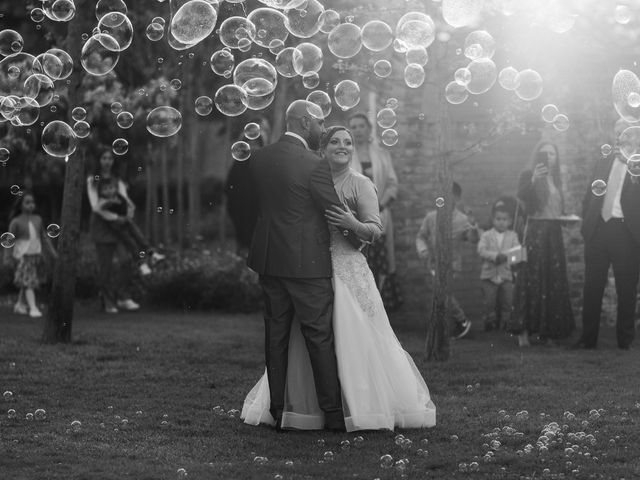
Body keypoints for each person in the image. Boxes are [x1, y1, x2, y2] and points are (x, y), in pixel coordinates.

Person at [242, 123, 436, 432]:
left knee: (352, 340)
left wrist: (351, 222)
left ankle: (355, 405)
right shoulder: (308, 176)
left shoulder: (361, 184)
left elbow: (375, 230)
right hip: (309, 270)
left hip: (346, 270)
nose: (342, 146)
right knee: (310, 342)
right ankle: (308, 408)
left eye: (347, 142)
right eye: (334, 141)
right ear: (322, 148)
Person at [241, 100, 361, 432]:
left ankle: (277, 411)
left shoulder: (259, 158)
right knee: (319, 336)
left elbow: (254, 207)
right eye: (321, 124)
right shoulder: (313, 163)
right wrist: (359, 237)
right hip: (306, 263)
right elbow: (334, 210)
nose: (324, 130)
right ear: (306, 123)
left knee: (275, 336)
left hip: (269, 260)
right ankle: (333, 414)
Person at [575, 120, 640, 350]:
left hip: (625, 232)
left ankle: (625, 341)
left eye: (624, 133)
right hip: (598, 231)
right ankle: (587, 340)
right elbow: (589, 195)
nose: (619, 136)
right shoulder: (604, 160)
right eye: (617, 132)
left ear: (634, 137)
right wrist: (587, 224)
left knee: (626, 288)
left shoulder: (638, 165)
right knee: (592, 287)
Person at [513, 141, 575, 346]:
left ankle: (548, 330)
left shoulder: (556, 180)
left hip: (554, 232)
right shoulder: (528, 175)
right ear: (538, 155)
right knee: (531, 279)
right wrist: (533, 180)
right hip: (536, 232)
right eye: (544, 153)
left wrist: (566, 218)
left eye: (552, 153)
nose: (549, 157)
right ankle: (523, 331)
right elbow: (522, 199)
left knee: (552, 280)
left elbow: (556, 208)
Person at [348, 113, 402, 311]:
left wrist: (381, 204)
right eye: (353, 126)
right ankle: (359, 306)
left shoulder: (381, 154)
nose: (358, 130)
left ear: (369, 129)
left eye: (361, 126)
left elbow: (392, 184)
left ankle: (377, 306)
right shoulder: (345, 154)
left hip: (379, 216)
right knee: (358, 261)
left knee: (379, 261)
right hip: (355, 218)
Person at [415, 182, 479, 339]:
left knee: (442, 293)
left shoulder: (463, 220)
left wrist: (473, 226)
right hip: (434, 263)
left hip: (452, 265)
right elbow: (421, 236)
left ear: (456, 198)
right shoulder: (431, 217)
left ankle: (462, 321)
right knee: (440, 295)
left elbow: (473, 239)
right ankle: (447, 327)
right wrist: (423, 249)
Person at [86, 147, 141, 314]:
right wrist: (116, 217)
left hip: (119, 227)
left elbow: (126, 201)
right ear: (99, 161)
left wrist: (128, 214)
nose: (107, 161)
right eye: (104, 158)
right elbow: (96, 207)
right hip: (102, 226)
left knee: (126, 261)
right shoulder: (92, 180)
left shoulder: (118, 180)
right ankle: (108, 301)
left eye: (110, 158)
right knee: (106, 267)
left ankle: (123, 297)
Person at [3, 192, 58, 318]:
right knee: (29, 282)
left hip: (36, 255)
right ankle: (33, 308)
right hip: (23, 257)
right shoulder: (15, 222)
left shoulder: (38, 219)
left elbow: (44, 238)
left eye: (32, 202)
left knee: (27, 281)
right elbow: (9, 240)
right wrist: (8, 258)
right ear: (20, 205)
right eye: (27, 202)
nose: (31, 205)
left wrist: (52, 253)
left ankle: (20, 305)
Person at [95, 178, 164, 274]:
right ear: (100, 192)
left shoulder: (119, 196)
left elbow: (129, 205)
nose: (109, 191)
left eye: (111, 188)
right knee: (131, 243)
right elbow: (99, 207)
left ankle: (152, 253)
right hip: (118, 226)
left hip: (128, 221)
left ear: (115, 188)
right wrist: (110, 202)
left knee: (139, 237)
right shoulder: (103, 200)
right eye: (105, 189)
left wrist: (129, 213)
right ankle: (141, 264)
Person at [225, 117, 272, 255]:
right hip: (241, 207)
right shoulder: (239, 163)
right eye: (250, 142)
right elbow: (229, 187)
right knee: (244, 239)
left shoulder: (265, 162)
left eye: (256, 143)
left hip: (258, 210)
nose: (253, 146)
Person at [477, 200, 521, 331]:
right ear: (493, 220)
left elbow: (517, 253)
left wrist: (506, 256)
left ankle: (506, 323)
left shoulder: (513, 236)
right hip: (489, 274)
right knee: (489, 301)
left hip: (506, 274)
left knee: (508, 300)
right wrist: (495, 256)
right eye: (498, 219)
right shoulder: (486, 235)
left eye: (504, 219)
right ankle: (490, 323)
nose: (501, 222)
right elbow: (481, 250)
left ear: (510, 221)